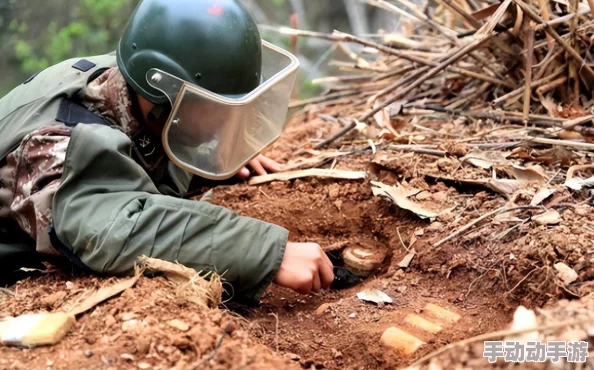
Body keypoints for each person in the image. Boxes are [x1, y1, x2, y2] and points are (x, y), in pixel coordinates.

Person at [0, 0, 334, 305]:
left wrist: (213, 151)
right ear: (166, 93)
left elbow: (143, 141)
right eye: (217, 107)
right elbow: (114, 230)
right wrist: (265, 252)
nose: (224, 121)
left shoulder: (135, 85)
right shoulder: (50, 148)